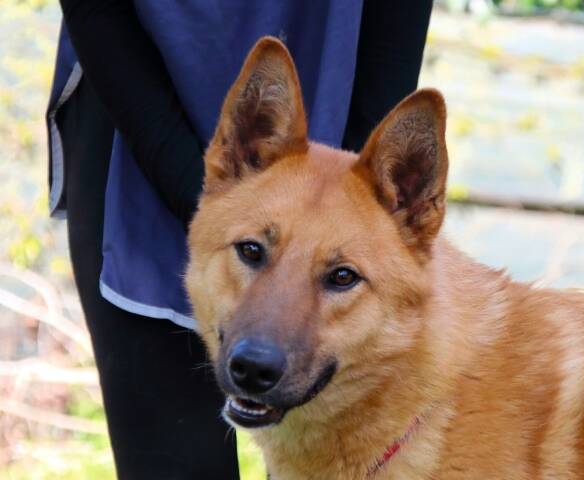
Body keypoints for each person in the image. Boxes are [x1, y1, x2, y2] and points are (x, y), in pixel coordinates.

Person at [48, 0, 433, 478]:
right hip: (131, 90)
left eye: (339, 276)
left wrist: (352, 201)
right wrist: (229, 204)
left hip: (339, 68)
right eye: (252, 251)